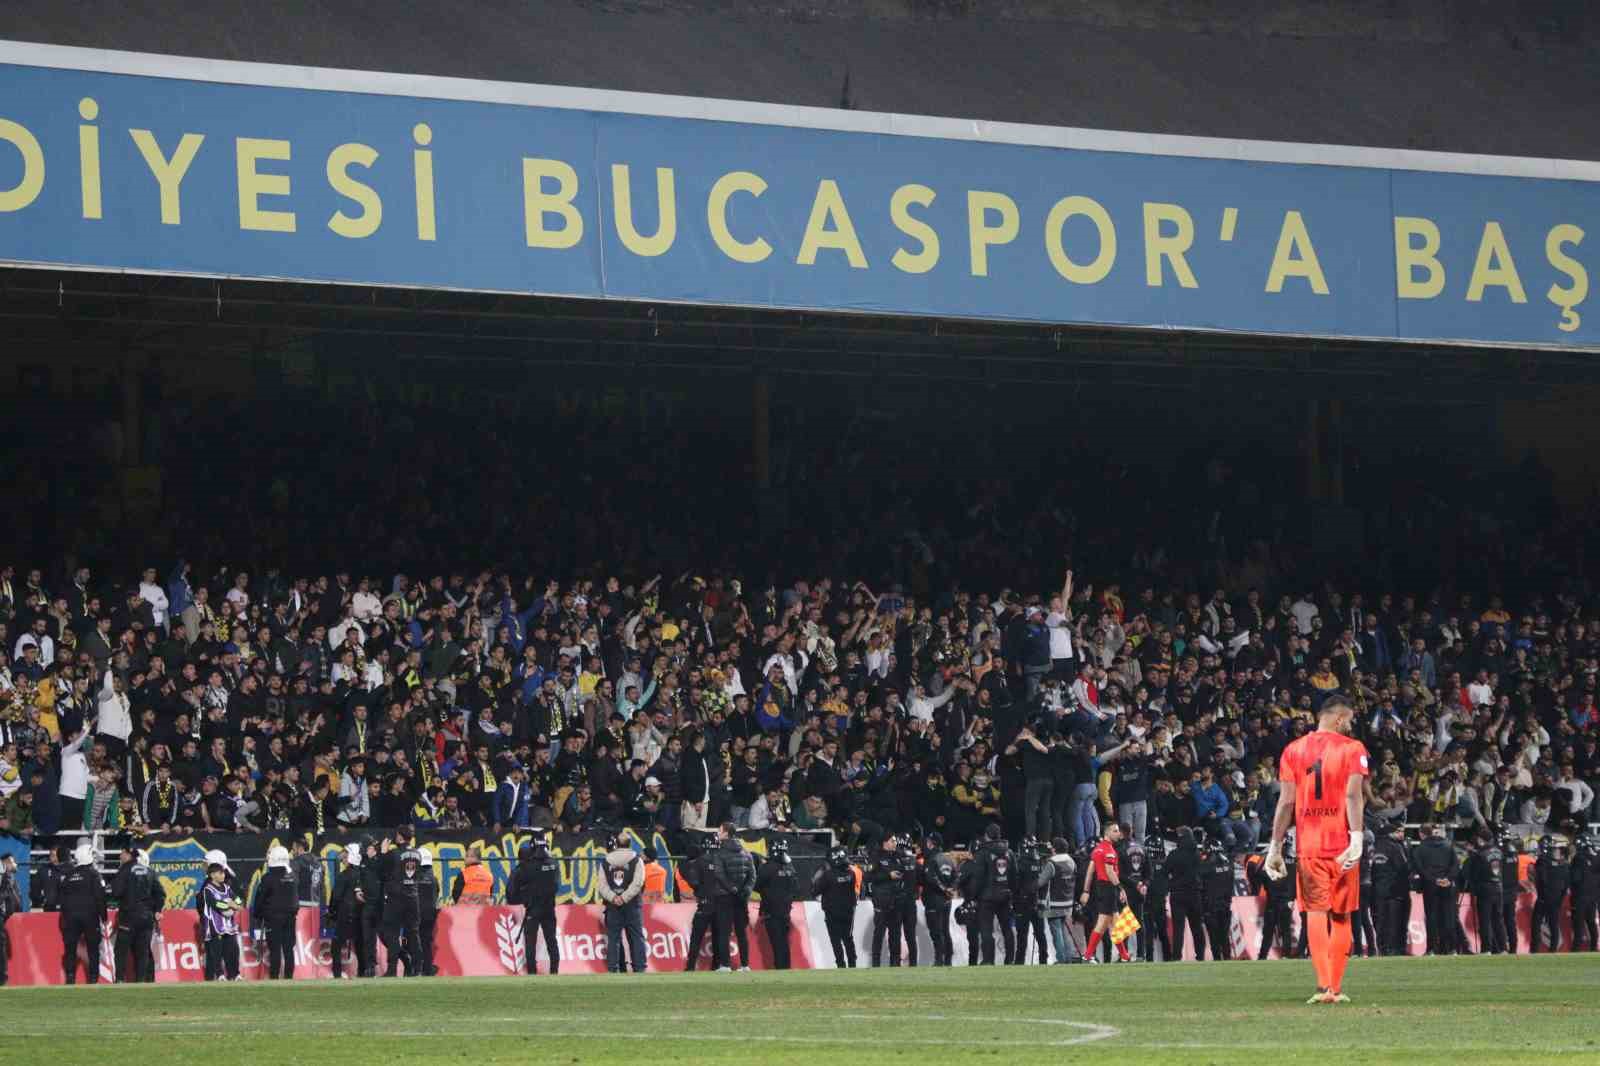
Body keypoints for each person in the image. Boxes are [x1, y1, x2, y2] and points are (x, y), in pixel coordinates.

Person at [1264, 695, 1369, 1004]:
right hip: (1342, 846)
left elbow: (1286, 802)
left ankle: (1323, 987)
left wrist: (1275, 847)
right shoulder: (1353, 748)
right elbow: (1353, 796)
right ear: (1339, 719)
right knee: (1342, 916)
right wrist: (1358, 837)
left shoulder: (1293, 750)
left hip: (1309, 845)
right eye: (1348, 720)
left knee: (1315, 912)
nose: (1350, 725)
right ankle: (1335, 988)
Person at [110, 846, 165, 982]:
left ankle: (120, 980)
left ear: (130, 855)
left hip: (128, 916)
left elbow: (116, 892)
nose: (120, 856)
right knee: (143, 951)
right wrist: (157, 909)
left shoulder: (124, 870)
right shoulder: (150, 871)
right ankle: (140, 981)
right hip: (147, 917)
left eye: (122, 853)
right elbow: (161, 894)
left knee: (121, 950)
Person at [510, 832, 560, 974]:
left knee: (530, 942)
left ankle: (532, 973)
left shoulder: (527, 866)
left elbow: (514, 889)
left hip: (533, 909)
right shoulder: (554, 864)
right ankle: (555, 972)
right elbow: (556, 886)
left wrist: (526, 898)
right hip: (549, 908)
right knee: (552, 941)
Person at [597, 831, 647, 973]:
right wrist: (624, 897)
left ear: (617, 844)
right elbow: (638, 883)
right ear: (630, 844)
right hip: (632, 905)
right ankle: (640, 967)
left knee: (613, 938)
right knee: (637, 937)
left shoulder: (606, 861)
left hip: (613, 905)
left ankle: (613, 968)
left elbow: (601, 885)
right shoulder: (637, 860)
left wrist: (614, 897)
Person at [1081, 821, 1130, 964]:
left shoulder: (1097, 850)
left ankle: (1124, 956)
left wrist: (1086, 891)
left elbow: (1090, 872)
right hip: (1108, 888)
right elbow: (1109, 872)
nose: (1118, 834)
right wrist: (1120, 888)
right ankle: (1088, 955)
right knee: (1103, 924)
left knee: (1115, 923)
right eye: (1115, 831)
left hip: (1101, 888)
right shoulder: (1109, 851)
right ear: (1107, 833)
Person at [708, 822, 755, 971]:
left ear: (726, 833)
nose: (717, 833)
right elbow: (752, 875)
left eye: (719, 830)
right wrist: (746, 890)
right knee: (741, 932)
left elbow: (720, 875)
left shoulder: (719, 853)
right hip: (741, 898)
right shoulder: (746, 852)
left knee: (724, 932)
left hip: (725, 897)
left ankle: (725, 965)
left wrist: (732, 889)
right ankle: (745, 965)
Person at [60, 842, 107, 985]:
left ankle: (70, 977)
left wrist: (67, 915)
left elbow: (62, 898)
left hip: (71, 917)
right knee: (93, 948)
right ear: (87, 857)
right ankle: (93, 978)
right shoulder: (94, 874)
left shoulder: (68, 875)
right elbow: (100, 896)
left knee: (70, 948)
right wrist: (103, 916)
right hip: (90, 916)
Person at [1410, 822, 1459, 956]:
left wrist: (1434, 880)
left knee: (1431, 917)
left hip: (1430, 886)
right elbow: (1455, 865)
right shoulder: (1448, 845)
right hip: (1447, 886)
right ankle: (1451, 948)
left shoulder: (1420, 849)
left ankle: (1431, 949)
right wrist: (1448, 879)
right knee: (1448, 916)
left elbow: (1420, 869)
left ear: (1421, 834)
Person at [251, 844, 299, 979]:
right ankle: (289, 977)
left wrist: (258, 914)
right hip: (290, 917)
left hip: (273, 918)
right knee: (288, 949)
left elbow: (260, 898)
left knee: (275, 949)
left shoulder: (268, 878)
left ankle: (274, 977)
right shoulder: (292, 876)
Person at [973, 822, 1016, 965]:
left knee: (986, 930)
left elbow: (978, 877)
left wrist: (973, 895)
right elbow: (1014, 875)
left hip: (987, 897)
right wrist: (1011, 892)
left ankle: (988, 960)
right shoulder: (1009, 852)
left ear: (987, 836)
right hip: (1005, 895)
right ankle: (1009, 960)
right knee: (1007, 929)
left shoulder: (983, 853)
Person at [810, 844, 858, 968]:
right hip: (848, 911)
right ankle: (853, 964)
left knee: (836, 940)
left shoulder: (827, 875)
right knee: (848, 939)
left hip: (832, 912)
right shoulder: (851, 874)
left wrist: (817, 877)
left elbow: (815, 891)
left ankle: (841, 965)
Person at [866, 833, 909, 967]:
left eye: (895, 841)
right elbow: (868, 877)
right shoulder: (876, 856)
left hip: (896, 899)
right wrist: (888, 875)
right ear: (885, 842)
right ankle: (876, 963)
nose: (895, 843)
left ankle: (895, 963)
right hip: (881, 899)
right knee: (879, 931)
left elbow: (905, 872)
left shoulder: (898, 856)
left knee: (895, 932)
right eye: (892, 841)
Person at [754, 838, 798, 969]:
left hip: (771, 910)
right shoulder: (790, 867)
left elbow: (756, 886)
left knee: (777, 942)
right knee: (784, 942)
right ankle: (786, 967)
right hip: (786, 910)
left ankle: (780, 968)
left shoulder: (767, 868)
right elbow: (796, 887)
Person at [1252, 832, 1296, 960]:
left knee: (1269, 930)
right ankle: (1286, 955)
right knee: (1285, 929)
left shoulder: (1272, 857)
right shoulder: (1292, 859)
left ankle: (1262, 956)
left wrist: (1267, 887)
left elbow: (1262, 875)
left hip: (1274, 898)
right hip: (1288, 898)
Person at [380, 849, 423, 976]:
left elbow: (382, 872)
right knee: (414, 933)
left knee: (392, 934)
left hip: (396, 899)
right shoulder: (418, 854)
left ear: (399, 836)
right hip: (413, 898)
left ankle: (392, 969)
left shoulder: (394, 854)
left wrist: (383, 853)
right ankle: (418, 968)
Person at [1370, 822, 1410, 955]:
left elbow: (1371, 869)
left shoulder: (1373, 847)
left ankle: (1382, 948)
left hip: (1377, 890)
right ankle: (1394, 948)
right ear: (1390, 833)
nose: (1400, 834)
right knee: (1394, 921)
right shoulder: (1395, 847)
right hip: (1394, 891)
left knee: (1380, 920)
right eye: (1397, 831)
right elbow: (1403, 869)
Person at [199, 861, 243, 981]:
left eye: (223, 873)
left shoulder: (227, 888)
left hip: (229, 926)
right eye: (220, 873)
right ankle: (219, 975)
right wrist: (230, 905)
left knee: (233, 950)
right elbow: (215, 904)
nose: (223, 875)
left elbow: (238, 899)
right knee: (217, 952)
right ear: (212, 875)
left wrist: (236, 904)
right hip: (215, 926)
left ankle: (235, 974)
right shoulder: (208, 890)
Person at [1466, 831, 1509, 955]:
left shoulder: (1480, 854)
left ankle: (1486, 948)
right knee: (1498, 919)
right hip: (1498, 887)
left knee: (1485, 920)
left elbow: (1475, 874)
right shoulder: (1500, 852)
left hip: (1485, 889)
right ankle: (1503, 948)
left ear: (1481, 839)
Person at [918, 833, 958, 967]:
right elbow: (956, 877)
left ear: (932, 843)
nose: (926, 844)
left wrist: (944, 889)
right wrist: (951, 889)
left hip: (934, 898)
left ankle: (939, 959)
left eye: (928, 842)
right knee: (945, 930)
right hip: (947, 900)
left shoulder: (931, 858)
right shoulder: (949, 859)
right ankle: (948, 959)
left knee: (936, 931)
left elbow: (930, 879)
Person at [329, 843, 367, 979]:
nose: (343, 857)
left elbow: (336, 897)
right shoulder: (364, 873)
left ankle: (337, 974)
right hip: (361, 915)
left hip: (345, 915)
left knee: (336, 946)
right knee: (360, 945)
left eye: (346, 854)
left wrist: (332, 912)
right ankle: (363, 973)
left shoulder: (343, 875)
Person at [680, 841, 719, 971]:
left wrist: (700, 890)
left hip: (704, 903)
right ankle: (718, 965)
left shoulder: (696, 864)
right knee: (719, 936)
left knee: (696, 938)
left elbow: (693, 882)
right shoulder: (722, 861)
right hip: (720, 903)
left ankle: (690, 966)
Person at [1043, 837, 1083, 963]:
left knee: (1056, 931)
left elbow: (1041, 881)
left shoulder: (1052, 862)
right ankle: (1068, 957)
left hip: (1054, 902)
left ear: (1054, 849)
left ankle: (1061, 959)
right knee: (1063, 929)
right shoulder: (1071, 861)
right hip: (1068, 902)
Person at [1530, 835, 1571, 954]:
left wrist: (1543, 895)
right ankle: (1552, 949)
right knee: (1553, 924)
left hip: (1545, 898)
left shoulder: (1543, 862)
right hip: (1555, 899)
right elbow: (1565, 885)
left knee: (1538, 923)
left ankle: (1536, 949)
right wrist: (1560, 899)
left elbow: (1541, 879)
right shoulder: (1565, 865)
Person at [1012, 835, 1050, 964]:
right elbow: (1045, 884)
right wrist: (1042, 901)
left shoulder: (1020, 863)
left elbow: (1015, 884)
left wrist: (1015, 899)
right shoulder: (1041, 862)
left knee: (1022, 935)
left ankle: (1019, 962)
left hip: (1023, 903)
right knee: (1040, 934)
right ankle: (1043, 960)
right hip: (1038, 902)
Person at [1199, 836, 1236, 961]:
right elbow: (1231, 887)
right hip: (1225, 906)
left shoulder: (1205, 866)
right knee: (1224, 937)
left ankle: (1218, 961)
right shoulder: (1229, 865)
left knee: (1214, 939)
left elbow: (1200, 886)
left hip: (1211, 907)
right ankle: (1227, 959)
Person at [1140, 835, 1171, 962]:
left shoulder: (1143, 865)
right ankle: (1168, 959)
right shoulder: (1166, 865)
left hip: (1147, 903)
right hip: (1160, 904)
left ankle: (1149, 959)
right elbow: (1167, 885)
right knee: (1163, 934)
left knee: (1148, 935)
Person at [1571, 834, 1599, 952]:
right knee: (1591, 922)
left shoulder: (1578, 859)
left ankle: (1576, 950)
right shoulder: (1597, 857)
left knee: (1578, 925)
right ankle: (1594, 947)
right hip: (1593, 896)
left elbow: (1575, 878)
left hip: (1581, 896)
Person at [415, 849, 441, 975]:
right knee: (426, 942)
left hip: (416, 914)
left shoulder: (414, 877)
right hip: (430, 915)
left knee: (412, 941)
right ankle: (427, 968)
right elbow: (436, 893)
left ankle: (416, 968)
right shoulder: (434, 879)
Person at [0, 853, 23, 986]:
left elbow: (16, 900)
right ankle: (3, 977)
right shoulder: (7, 878)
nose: (15, 865)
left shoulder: (9, 878)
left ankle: (3, 977)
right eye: (13, 862)